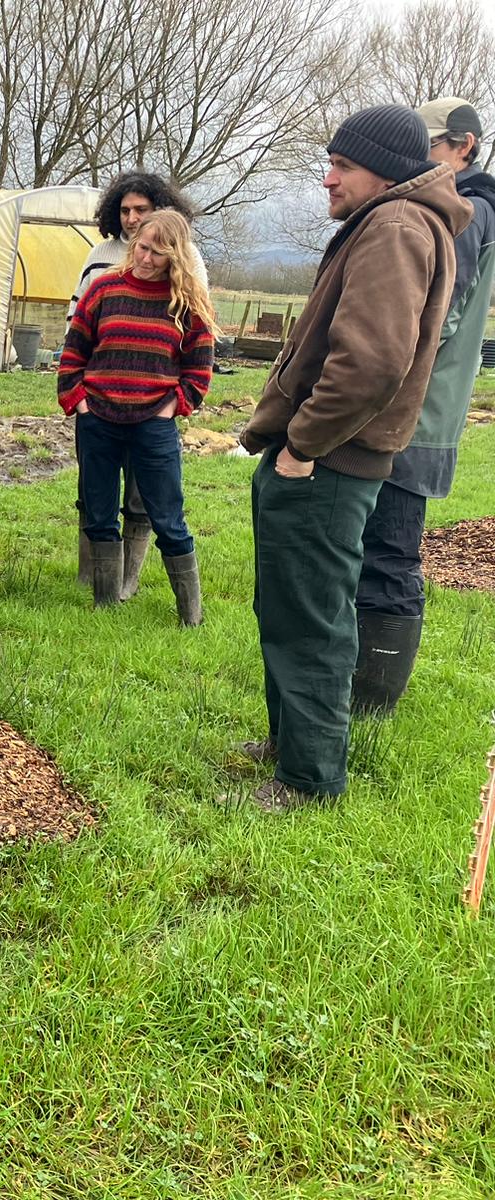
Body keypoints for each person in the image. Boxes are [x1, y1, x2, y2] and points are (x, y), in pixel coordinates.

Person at [239, 105, 470, 811]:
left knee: (311, 616)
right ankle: (294, 744)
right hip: (329, 458)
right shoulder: (394, 222)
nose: (327, 177)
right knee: (294, 605)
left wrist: (302, 447)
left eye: (341, 165)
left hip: (328, 461)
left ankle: (308, 781)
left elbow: (371, 364)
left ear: (384, 168)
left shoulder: (397, 226)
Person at [353, 97, 495, 714]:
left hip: (413, 416)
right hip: (417, 413)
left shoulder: (466, 213)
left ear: (463, 146)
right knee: (378, 551)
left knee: (388, 555)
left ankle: (373, 704)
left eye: (431, 146)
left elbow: (430, 320)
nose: (419, 160)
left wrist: (369, 384)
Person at [59, 210, 216, 624]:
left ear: (175, 257)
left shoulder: (186, 303)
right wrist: (79, 400)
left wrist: (173, 406)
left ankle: (191, 617)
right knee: (99, 513)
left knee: (167, 518)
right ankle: (105, 606)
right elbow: (74, 350)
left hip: (153, 425)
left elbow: (200, 368)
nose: (146, 259)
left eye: (158, 254)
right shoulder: (104, 289)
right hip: (98, 420)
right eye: (142, 248)